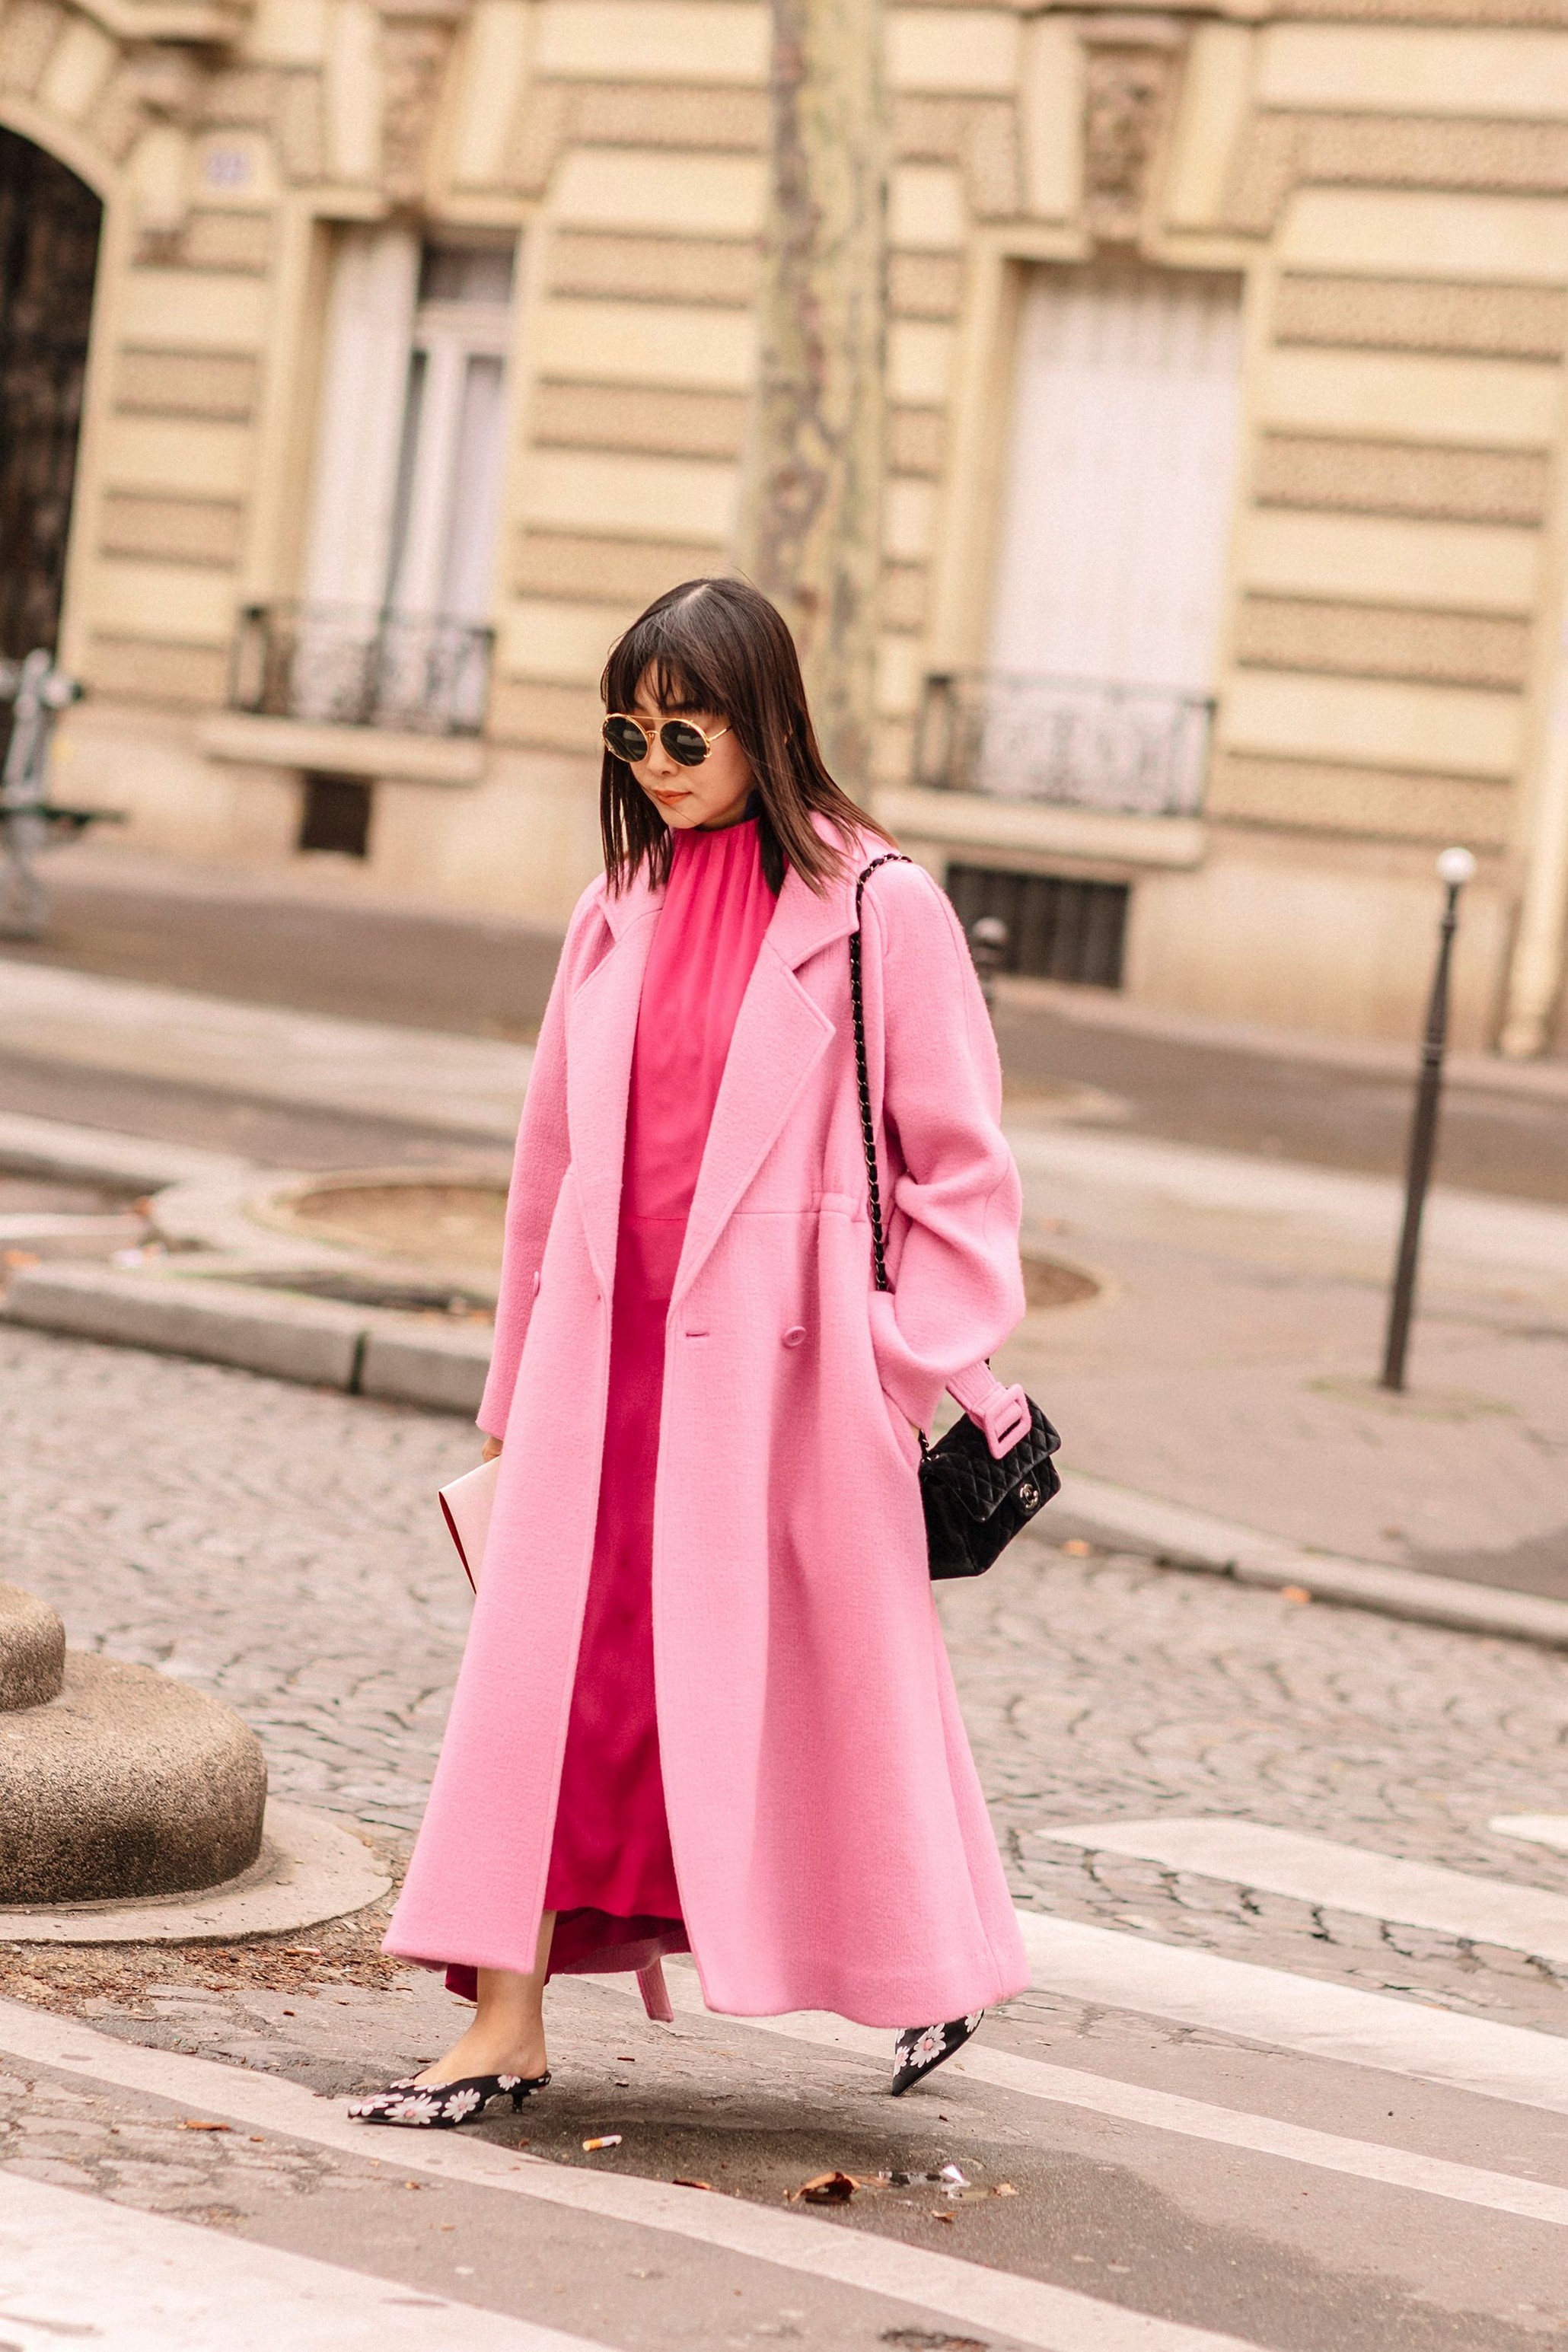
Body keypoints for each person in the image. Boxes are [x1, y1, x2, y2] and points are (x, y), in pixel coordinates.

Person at [351, 576, 1030, 2130]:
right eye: (630, 734)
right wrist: (514, 1397)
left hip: (786, 1387)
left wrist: (892, 1367)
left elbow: (962, 1170)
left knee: (825, 1690)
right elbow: (547, 1174)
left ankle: (919, 1957)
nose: (655, 763)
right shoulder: (615, 907)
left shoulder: (878, 905)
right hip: (601, 1379)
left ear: (763, 724)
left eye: (686, 732)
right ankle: (503, 2019)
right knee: (557, 1694)